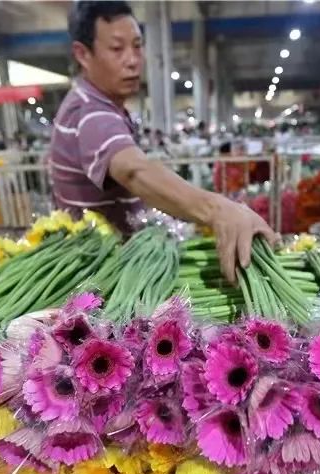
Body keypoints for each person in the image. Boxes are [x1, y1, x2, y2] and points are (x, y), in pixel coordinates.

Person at [49, 1, 274, 282]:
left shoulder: (103, 106)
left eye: (137, 46)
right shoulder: (90, 112)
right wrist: (217, 209)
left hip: (119, 262)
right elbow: (133, 169)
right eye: (117, 49)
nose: (132, 60)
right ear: (83, 54)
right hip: (99, 277)